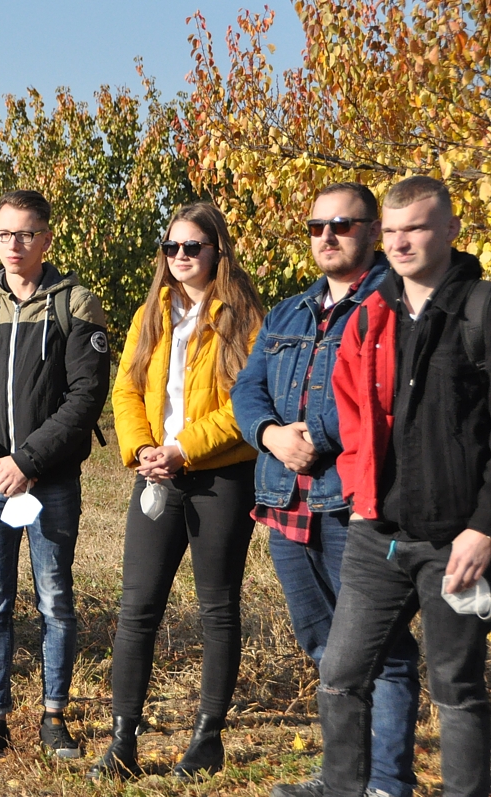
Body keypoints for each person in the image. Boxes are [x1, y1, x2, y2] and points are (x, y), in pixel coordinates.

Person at [232, 184, 419, 797]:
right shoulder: (288, 312)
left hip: (355, 501)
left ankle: (386, 782)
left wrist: (314, 433)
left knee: (381, 648)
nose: (327, 236)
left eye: (342, 224)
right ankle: (344, 775)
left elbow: (388, 389)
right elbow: (247, 387)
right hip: (286, 498)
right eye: (316, 226)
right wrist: (270, 434)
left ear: (373, 230)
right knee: (323, 644)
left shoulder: (396, 301)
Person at [322, 176, 491, 797]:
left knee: (456, 688)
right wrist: (358, 495)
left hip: (457, 542)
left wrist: (484, 528)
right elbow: (349, 412)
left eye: (415, 228)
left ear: (451, 228)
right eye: (390, 231)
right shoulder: (372, 312)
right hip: (378, 535)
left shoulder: (481, 310)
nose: (400, 242)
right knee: (340, 675)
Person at [95, 201, 264, 779]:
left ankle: (207, 740)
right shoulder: (152, 314)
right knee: (137, 608)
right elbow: (125, 389)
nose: (180, 256)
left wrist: (183, 448)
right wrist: (143, 448)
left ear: (217, 251)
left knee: (217, 608)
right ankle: (122, 743)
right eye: (171, 247)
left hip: (221, 478)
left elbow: (247, 405)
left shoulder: (244, 317)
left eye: (193, 247)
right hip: (156, 475)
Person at [0, 190, 111, 762]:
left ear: (46, 239)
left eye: (25, 233)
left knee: (55, 600)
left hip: (51, 482)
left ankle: (53, 717)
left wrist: (30, 462)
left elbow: (86, 396)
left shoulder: (76, 304)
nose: (13, 244)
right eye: (3, 233)